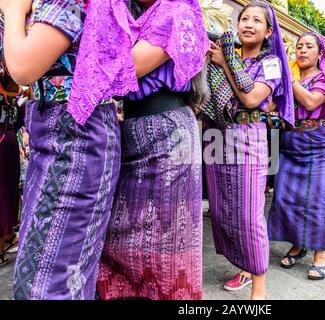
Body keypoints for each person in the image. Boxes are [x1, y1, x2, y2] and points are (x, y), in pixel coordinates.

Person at [70, 0, 210, 300]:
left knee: (165, 242)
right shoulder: (135, 16)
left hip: (167, 136)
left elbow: (124, 68)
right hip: (131, 131)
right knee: (117, 237)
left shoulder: (177, 13)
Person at [0, 0, 122, 300]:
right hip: (62, 132)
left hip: (76, 135)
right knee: (51, 272)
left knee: (47, 283)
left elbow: (22, 69)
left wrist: (13, 10)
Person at [205, 1, 294, 299]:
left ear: (269, 31)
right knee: (222, 208)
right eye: (244, 18)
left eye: (257, 20)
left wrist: (225, 64)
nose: (248, 24)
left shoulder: (271, 63)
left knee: (249, 215)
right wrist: (223, 62)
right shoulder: (221, 52)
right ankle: (243, 266)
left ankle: (260, 289)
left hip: (249, 136)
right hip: (217, 134)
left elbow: (253, 98)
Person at [268, 32, 325, 280]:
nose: (302, 50)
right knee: (286, 197)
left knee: (315, 200)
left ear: (320, 54)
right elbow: (273, 105)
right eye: (299, 47)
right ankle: (298, 245)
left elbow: (310, 102)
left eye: (309, 47)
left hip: (316, 141)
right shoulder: (291, 76)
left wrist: (292, 79)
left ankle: (321, 255)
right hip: (289, 140)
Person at [0, 56, 22, 267]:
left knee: (7, 188)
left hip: (7, 132)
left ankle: (6, 238)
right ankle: (5, 239)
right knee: (5, 189)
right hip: (5, 134)